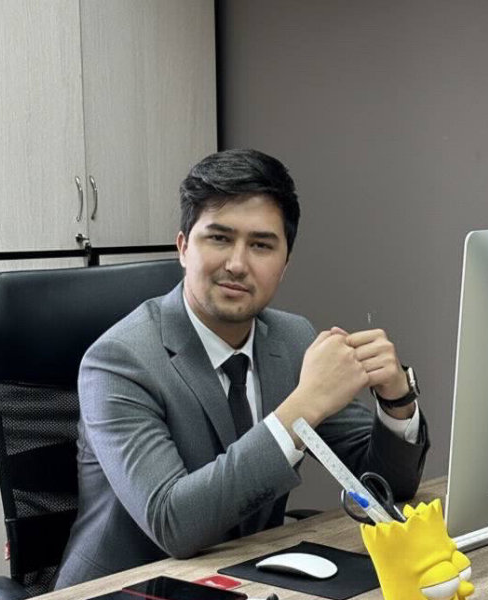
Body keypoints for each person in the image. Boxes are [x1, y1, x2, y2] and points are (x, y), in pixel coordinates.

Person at [54, 149, 430, 588]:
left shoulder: (292, 338)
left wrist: (396, 401)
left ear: (284, 265)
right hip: (129, 588)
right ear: (183, 248)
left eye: (261, 245)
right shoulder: (117, 361)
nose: (237, 264)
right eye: (219, 238)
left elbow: (384, 487)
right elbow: (172, 522)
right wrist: (304, 406)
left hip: (246, 577)